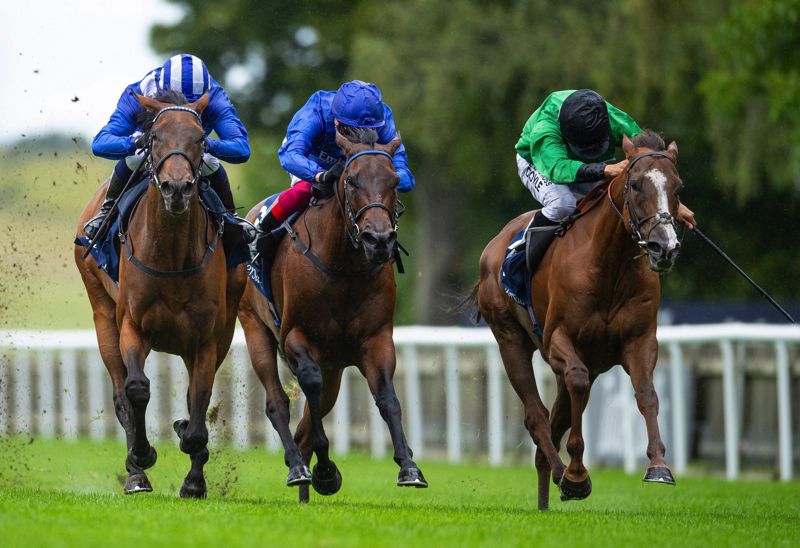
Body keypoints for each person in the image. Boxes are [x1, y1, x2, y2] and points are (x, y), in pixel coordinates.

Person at [514, 89, 695, 269]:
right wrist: (605, 169)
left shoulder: (611, 117)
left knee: (614, 197)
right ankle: (519, 256)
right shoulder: (545, 130)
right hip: (539, 164)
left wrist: (674, 205)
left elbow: (649, 161)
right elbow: (558, 169)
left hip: (580, 164)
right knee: (563, 204)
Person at [84, 53, 250, 239]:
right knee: (135, 157)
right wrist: (136, 142)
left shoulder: (214, 97)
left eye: (192, 105)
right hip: (155, 142)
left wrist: (205, 143)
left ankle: (230, 217)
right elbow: (100, 143)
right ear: (161, 90)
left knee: (210, 162)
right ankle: (107, 211)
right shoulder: (138, 93)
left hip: (192, 147)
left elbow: (241, 148)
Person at [254, 80, 414, 234]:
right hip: (311, 158)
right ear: (336, 121)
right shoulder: (315, 113)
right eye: (353, 130)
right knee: (305, 190)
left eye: (368, 131)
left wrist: (387, 178)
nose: (359, 138)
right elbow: (290, 155)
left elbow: (403, 172)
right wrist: (320, 175)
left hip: (359, 166)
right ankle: (261, 232)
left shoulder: (381, 119)